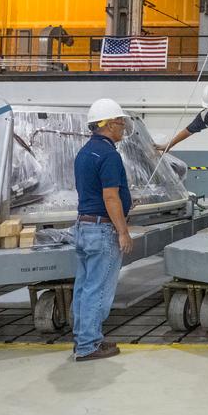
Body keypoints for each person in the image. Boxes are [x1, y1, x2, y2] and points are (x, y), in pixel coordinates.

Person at [72, 98, 134, 361]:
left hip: (83, 227)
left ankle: (83, 339)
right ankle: (89, 345)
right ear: (108, 125)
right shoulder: (109, 155)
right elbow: (110, 197)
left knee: (84, 287)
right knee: (98, 289)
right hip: (102, 230)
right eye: (120, 122)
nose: (122, 127)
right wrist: (123, 231)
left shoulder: (85, 152)